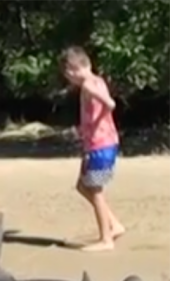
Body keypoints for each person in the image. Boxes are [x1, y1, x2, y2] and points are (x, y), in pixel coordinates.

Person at [60, 46, 124, 252]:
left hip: (100, 146)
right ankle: (114, 224)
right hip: (100, 143)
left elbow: (108, 103)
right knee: (82, 186)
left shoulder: (89, 85)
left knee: (95, 191)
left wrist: (108, 103)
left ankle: (106, 239)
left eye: (68, 73)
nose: (69, 78)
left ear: (72, 71)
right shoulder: (98, 80)